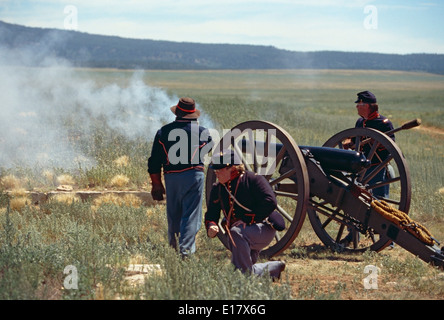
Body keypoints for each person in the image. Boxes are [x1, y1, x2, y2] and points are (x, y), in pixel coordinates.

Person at [205, 149, 286, 280]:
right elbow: (211, 214)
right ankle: (273, 268)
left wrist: (247, 219)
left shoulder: (253, 179)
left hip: (263, 228)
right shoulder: (218, 188)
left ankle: (241, 278)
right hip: (241, 234)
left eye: (220, 169)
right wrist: (211, 226)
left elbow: (270, 202)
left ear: (232, 168)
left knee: (236, 232)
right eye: (216, 170)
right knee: (246, 265)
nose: (216, 172)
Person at [148, 97, 213, 257]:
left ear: (177, 113)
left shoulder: (163, 132)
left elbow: (154, 162)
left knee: (174, 214)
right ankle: (185, 252)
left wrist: (156, 184)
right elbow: (208, 147)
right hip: (193, 175)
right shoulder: (203, 132)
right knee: (190, 215)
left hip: (171, 177)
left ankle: (175, 248)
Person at [343, 91, 395, 247]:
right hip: (360, 170)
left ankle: (387, 240)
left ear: (367, 106)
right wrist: (347, 142)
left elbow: (390, 148)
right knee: (353, 201)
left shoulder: (384, 123)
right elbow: (352, 139)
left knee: (380, 205)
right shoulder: (360, 122)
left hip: (376, 169)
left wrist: (376, 142)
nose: (357, 108)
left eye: (359, 105)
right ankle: (352, 235)